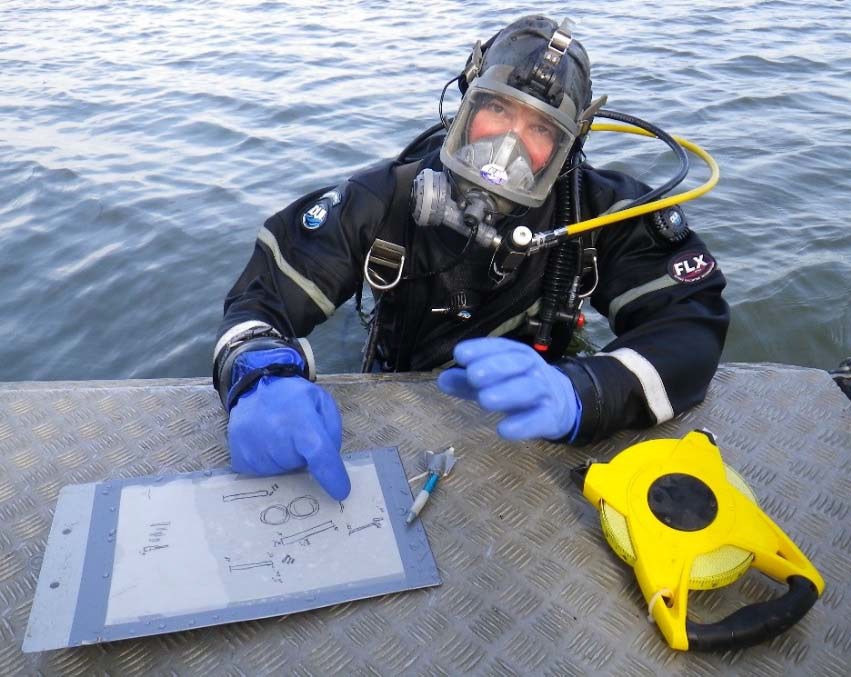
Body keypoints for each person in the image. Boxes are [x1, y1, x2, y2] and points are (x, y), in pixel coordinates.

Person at [212, 16, 730, 501]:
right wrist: (259, 376)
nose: (509, 146)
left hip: (535, 400)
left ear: (569, 144)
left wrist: (586, 392)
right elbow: (262, 297)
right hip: (401, 374)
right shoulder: (383, 200)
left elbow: (690, 319)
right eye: (498, 110)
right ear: (466, 101)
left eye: (541, 130)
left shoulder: (601, 213)